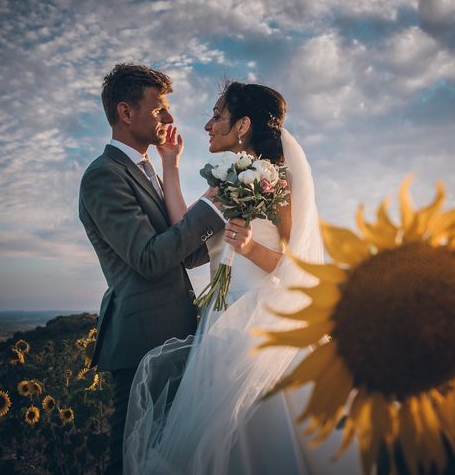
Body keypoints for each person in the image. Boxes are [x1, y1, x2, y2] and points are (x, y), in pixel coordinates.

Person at [123, 82, 361, 474]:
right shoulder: (225, 178)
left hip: (261, 327)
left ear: (243, 125)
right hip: (220, 323)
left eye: (217, 115)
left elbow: (298, 269)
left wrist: (250, 248)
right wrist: (170, 163)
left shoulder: (280, 183)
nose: (208, 125)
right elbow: (185, 230)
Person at [78, 63, 225, 475]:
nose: (170, 118)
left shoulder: (147, 171)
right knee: (129, 459)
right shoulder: (103, 176)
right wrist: (211, 208)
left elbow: (187, 254)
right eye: (160, 108)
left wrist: (173, 168)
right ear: (126, 113)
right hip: (141, 342)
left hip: (175, 333)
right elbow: (148, 258)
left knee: (163, 454)